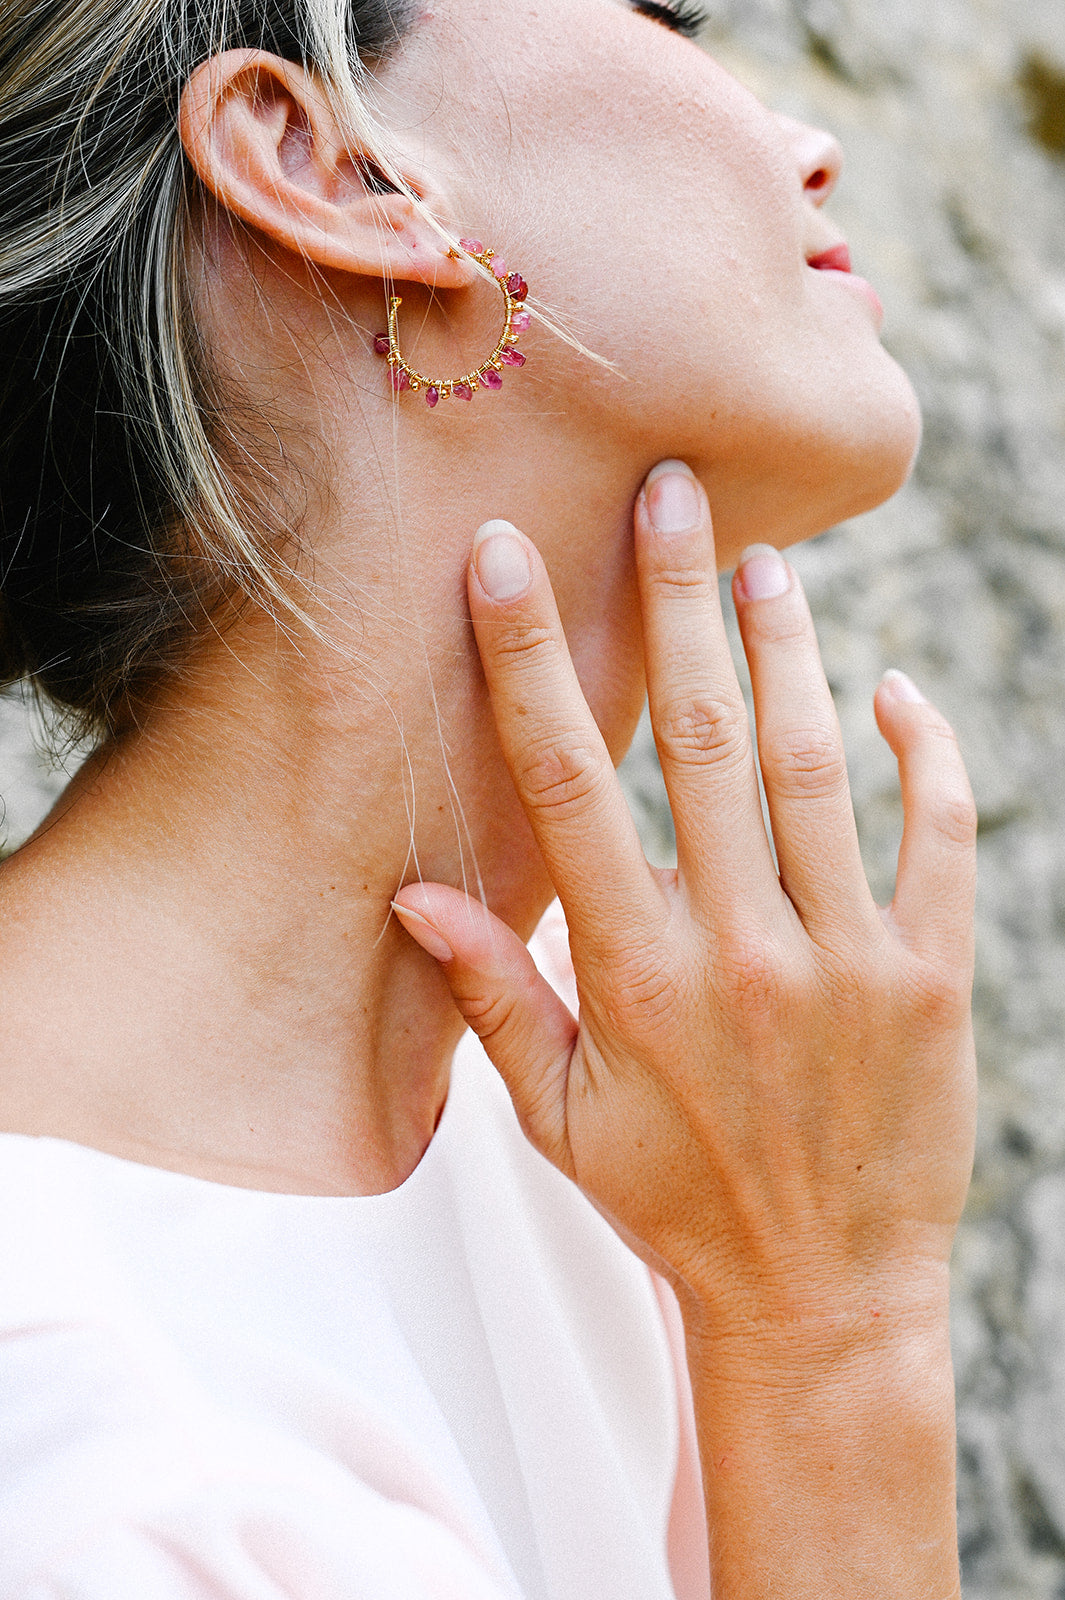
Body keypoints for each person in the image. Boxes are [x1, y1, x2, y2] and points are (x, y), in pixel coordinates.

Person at [0, 0, 978, 1595]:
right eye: (655, 10)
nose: (810, 138)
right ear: (331, 167)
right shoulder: (68, 1437)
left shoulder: (701, 1100)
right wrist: (833, 1331)